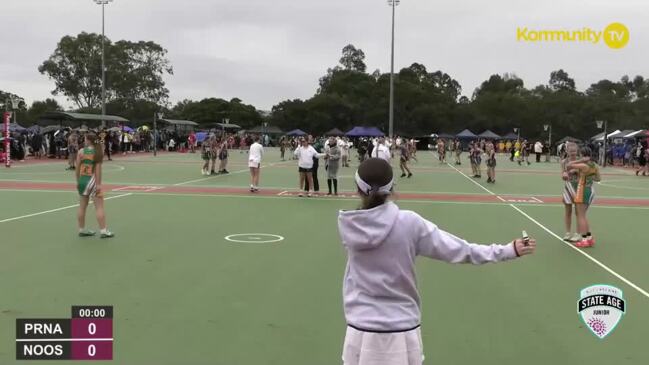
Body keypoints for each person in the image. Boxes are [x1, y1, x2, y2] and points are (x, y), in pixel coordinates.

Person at [338, 158, 536, 365]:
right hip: (402, 330)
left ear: (357, 189)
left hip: (359, 331)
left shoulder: (349, 224)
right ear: (392, 187)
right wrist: (507, 250)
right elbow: (460, 250)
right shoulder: (409, 222)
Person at [75, 132, 114, 238]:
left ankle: (81, 229)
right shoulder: (98, 152)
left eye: (85, 138)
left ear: (88, 140)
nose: (84, 140)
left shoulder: (81, 152)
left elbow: (77, 168)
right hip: (92, 181)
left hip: (83, 180)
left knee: (82, 207)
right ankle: (103, 231)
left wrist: (78, 181)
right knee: (99, 207)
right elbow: (98, 170)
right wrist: (99, 184)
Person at [565, 147, 600, 248]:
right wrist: (586, 176)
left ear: (582, 155)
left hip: (582, 190)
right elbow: (598, 178)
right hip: (590, 190)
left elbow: (568, 165)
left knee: (580, 215)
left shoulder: (583, 165)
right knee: (583, 215)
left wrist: (580, 161)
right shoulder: (594, 165)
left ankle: (584, 239)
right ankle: (589, 238)